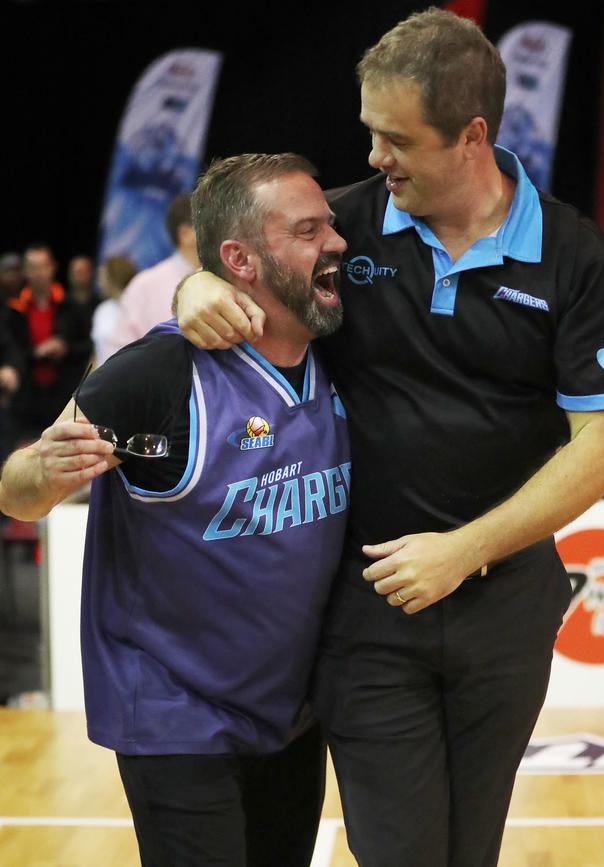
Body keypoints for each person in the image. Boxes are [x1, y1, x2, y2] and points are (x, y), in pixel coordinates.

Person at [172, 8, 604, 867]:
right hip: (366, 606)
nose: (373, 157)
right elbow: (238, 266)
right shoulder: (343, 227)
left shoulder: (574, 255)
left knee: (471, 852)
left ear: (471, 136)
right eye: (369, 133)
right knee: (400, 852)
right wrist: (191, 291)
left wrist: (463, 551)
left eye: (394, 138)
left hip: (506, 606)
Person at [0, 153, 350, 867]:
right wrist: (44, 467)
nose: (336, 243)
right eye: (309, 229)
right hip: (175, 715)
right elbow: (16, 486)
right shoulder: (156, 374)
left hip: (290, 709)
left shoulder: (342, 355)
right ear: (241, 259)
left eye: (331, 225)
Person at [8, 244, 93, 442]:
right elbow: (10, 348)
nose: (39, 273)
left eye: (43, 266)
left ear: (52, 267)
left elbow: (87, 345)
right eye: (33, 267)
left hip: (64, 396)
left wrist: (65, 348)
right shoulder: (13, 309)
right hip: (26, 398)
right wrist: (35, 353)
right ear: (26, 271)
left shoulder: (70, 305)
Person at [105, 193, 199, 357]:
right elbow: (118, 355)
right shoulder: (145, 286)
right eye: (210, 225)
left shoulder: (230, 279)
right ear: (185, 234)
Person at [91, 254, 138, 365]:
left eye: (101, 276)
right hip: (102, 378)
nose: (99, 283)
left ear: (114, 277)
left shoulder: (138, 307)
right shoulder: (102, 310)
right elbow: (96, 352)